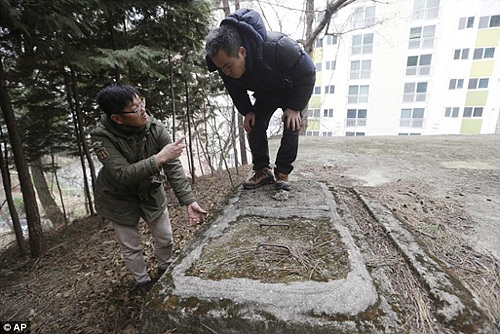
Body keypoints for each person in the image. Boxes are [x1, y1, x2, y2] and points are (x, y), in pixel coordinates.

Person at [91, 83, 206, 295]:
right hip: (118, 197)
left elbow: (172, 166)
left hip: (150, 190)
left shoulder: (155, 128)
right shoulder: (102, 137)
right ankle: (143, 283)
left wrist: (189, 201)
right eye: (135, 108)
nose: (142, 109)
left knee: (165, 238)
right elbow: (122, 174)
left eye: (141, 102)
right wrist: (159, 158)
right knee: (131, 246)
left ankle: (165, 269)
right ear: (117, 117)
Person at [205, 8, 316, 191]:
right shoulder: (223, 65)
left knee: (292, 123)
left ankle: (283, 171)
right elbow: (235, 90)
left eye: (228, 66)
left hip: (290, 89)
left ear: (242, 52)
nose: (226, 71)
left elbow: (308, 72)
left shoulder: (278, 47)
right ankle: (262, 170)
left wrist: (295, 107)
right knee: (254, 124)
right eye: (221, 68)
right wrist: (247, 110)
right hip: (266, 93)